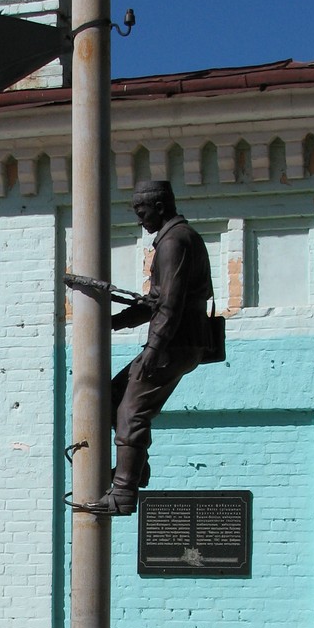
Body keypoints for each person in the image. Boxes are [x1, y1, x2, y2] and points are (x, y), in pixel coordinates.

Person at [83, 180, 214, 516]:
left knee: (132, 411)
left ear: (159, 206)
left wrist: (153, 349)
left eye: (142, 211)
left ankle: (123, 494)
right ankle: (136, 470)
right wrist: (113, 322)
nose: (139, 219)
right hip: (177, 342)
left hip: (173, 344)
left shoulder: (174, 242)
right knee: (114, 397)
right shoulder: (177, 238)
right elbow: (156, 301)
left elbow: (169, 304)